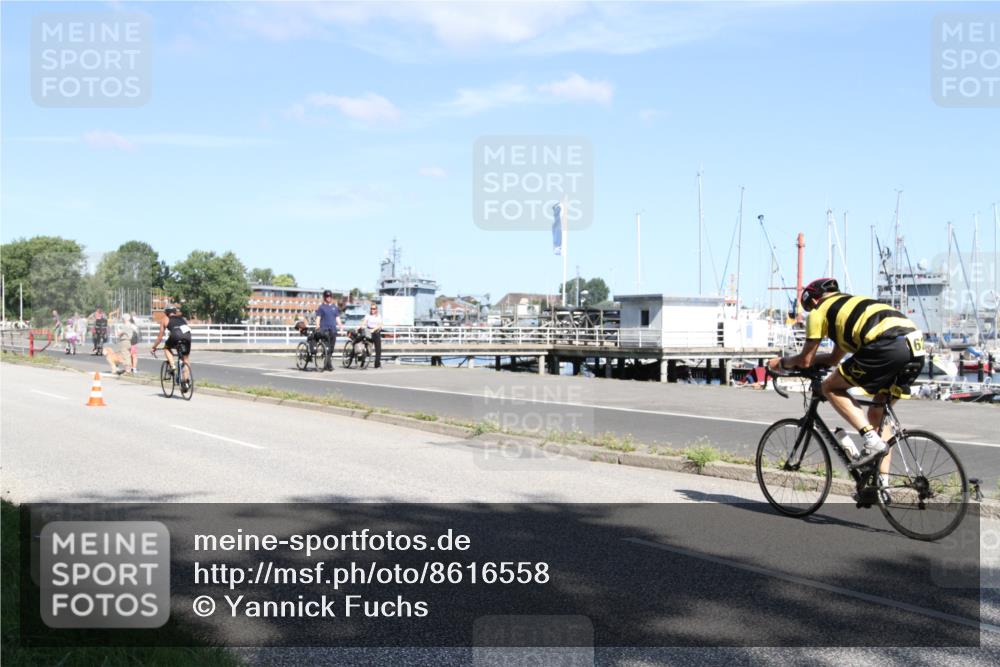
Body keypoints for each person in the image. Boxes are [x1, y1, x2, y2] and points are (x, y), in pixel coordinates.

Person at [767, 278, 925, 468]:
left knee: (829, 387)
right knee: (877, 414)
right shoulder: (848, 309)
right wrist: (808, 362)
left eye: (808, 307)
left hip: (887, 345)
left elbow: (805, 360)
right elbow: (833, 359)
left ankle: (871, 440)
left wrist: (781, 363)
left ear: (814, 300)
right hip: (915, 349)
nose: (810, 311)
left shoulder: (818, 310)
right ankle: (881, 483)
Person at [151, 306, 192, 387]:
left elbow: (160, 337)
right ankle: (186, 382)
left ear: (166, 313)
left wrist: (154, 347)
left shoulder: (165, 319)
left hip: (175, 335)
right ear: (175, 312)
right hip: (187, 336)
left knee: (166, 348)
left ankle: (172, 365)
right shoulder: (182, 319)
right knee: (186, 359)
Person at [314, 290, 342, 371]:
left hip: (333, 330)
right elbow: (318, 318)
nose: (328, 297)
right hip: (324, 330)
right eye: (327, 296)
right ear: (324, 297)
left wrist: (341, 326)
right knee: (327, 348)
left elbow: (337, 318)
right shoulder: (321, 307)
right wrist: (317, 326)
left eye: (329, 296)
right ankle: (328, 365)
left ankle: (327, 363)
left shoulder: (334, 307)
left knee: (332, 348)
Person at [364, 303, 383, 368]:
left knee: (378, 349)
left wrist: (374, 329)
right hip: (369, 332)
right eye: (371, 308)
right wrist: (361, 326)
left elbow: (380, 324)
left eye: (374, 309)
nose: (372, 310)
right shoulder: (368, 315)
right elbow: (364, 322)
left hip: (376, 332)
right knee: (367, 347)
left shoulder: (379, 316)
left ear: (376, 309)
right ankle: (363, 360)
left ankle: (377, 364)